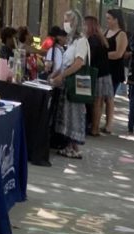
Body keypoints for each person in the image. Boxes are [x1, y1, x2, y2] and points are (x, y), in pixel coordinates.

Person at [50, 9, 89, 160]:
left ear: (75, 23)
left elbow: (79, 62)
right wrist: (55, 74)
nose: (65, 23)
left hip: (74, 83)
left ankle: (74, 147)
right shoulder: (71, 42)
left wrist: (62, 75)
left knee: (73, 114)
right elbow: (65, 63)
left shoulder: (81, 41)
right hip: (66, 82)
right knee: (67, 114)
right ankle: (69, 146)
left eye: (68, 20)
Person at [84, 15, 111, 136]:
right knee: (99, 102)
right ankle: (96, 127)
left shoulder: (92, 40)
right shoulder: (101, 38)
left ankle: (94, 128)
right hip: (105, 73)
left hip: (98, 74)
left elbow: (90, 57)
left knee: (96, 102)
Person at [104, 9, 127, 122]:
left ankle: (108, 124)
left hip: (114, 71)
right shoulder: (106, 31)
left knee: (109, 98)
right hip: (104, 69)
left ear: (116, 20)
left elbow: (119, 53)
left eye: (109, 18)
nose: (107, 20)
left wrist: (103, 55)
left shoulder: (121, 34)